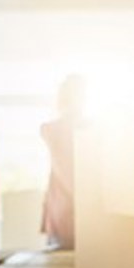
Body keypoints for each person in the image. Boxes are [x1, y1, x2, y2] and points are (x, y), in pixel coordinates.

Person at [39, 74, 86, 250]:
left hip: (74, 213)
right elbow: (65, 172)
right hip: (66, 214)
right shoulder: (52, 129)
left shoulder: (90, 127)